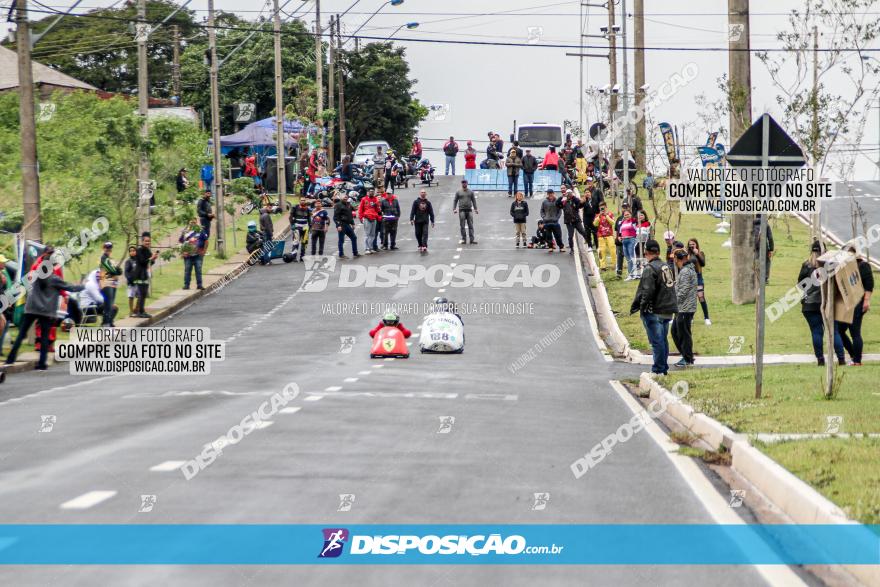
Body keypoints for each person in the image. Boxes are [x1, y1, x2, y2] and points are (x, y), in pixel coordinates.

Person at [4, 253, 85, 370]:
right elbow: (70, 288)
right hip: (46, 311)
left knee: (21, 335)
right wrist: (84, 286)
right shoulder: (54, 279)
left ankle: (10, 359)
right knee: (45, 337)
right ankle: (42, 364)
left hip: (31, 309)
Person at [630, 239, 678, 375]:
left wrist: (642, 308)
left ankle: (658, 370)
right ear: (658, 252)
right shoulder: (665, 266)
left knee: (656, 342)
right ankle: (663, 369)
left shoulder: (649, 269)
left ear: (646, 253)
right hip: (667, 310)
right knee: (663, 340)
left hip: (654, 311)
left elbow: (647, 291)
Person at [799, 240, 845, 366]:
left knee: (816, 332)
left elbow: (800, 285)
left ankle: (820, 359)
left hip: (809, 304)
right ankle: (841, 359)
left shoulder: (806, 265)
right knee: (833, 331)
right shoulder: (831, 265)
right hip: (829, 303)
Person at [837, 243, 873, 365]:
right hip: (846, 303)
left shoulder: (863, 266)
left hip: (858, 302)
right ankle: (853, 354)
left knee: (855, 332)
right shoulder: (843, 267)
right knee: (840, 330)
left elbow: (869, 285)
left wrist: (866, 301)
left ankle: (857, 361)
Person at [671, 249, 697, 367]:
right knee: (676, 331)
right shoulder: (685, 270)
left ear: (678, 258)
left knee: (683, 333)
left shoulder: (686, 271)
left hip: (685, 308)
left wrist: (674, 302)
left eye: (674, 258)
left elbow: (684, 290)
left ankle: (687, 358)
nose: (673, 261)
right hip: (682, 308)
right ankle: (687, 356)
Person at [131, 232, 158, 318]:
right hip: (139, 275)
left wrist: (154, 258)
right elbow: (142, 262)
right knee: (142, 294)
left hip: (145, 274)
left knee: (144, 294)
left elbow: (150, 263)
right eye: (146, 241)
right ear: (142, 241)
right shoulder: (139, 250)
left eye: (149, 241)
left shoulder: (147, 250)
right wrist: (151, 258)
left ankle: (140, 310)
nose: (148, 243)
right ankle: (140, 311)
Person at [98, 241, 122, 327]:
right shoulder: (103, 258)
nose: (108, 249)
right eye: (106, 247)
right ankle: (105, 323)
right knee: (108, 305)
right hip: (106, 284)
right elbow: (112, 270)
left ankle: (109, 321)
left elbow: (117, 270)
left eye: (110, 248)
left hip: (113, 284)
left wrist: (117, 271)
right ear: (103, 248)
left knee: (111, 304)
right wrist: (117, 271)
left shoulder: (111, 259)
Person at [178, 219, 208, 289]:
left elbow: (206, 241)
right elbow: (180, 242)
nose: (193, 224)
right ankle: (186, 285)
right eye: (191, 222)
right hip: (188, 256)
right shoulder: (185, 231)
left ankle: (199, 285)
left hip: (198, 255)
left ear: (196, 222)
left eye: (194, 222)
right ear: (189, 223)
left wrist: (204, 251)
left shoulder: (200, 230)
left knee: (198, 269)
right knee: (187, 270)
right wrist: (182, 252)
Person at [687, 238, 710, 325]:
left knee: (701, 297)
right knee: (691, 298)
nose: (691, 246)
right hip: (689, 278)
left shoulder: (701, 253)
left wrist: (697, 254)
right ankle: (691, 317)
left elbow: (703, 263)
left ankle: (706, 318)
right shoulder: (687, 254)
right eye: (690, 244)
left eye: (693, 244)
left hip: (698, 277)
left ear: (696, 244)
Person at [561, 188, 588, 255]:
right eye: (568, 194)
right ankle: (572, 249)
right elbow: (557, 204)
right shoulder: (564, 201)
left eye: (570, 193)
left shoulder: (575, 200)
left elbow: (580, 204)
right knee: (570, 236)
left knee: (583, 231)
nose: (569, 195)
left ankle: (588, 242)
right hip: (569, 221)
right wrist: (563, 197)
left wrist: (575, 198)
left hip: (576, 220)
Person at [334, 192, 360, 259]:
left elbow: (350, 215)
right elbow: (335, 217)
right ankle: (341, 254)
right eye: (344, 197)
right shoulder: (338, 205)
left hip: (347, 224)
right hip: (342, 224)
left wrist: (353, 223)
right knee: (341, 240)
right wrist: (338, 225)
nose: (345, 198)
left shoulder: (348, 205)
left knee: (354, 237)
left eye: (346, 197)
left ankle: (355, 253)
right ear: (341, 198)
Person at [453, 179, 479, 245]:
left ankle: (472, 240)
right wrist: (454, 208)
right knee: (462, 225)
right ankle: (464, 239)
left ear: (467, 183)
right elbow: (455, 200)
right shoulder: (458, 192)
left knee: (471, 225)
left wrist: (476, 209)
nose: (464, 184)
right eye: (463, 183)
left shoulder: (471, 192)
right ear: (461, 184)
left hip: (469, 210)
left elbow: (473, 200)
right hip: (462, 210)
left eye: (465, 183)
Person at [410, 189, 435, 253]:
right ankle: (420, 245)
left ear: (426, 194)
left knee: (425, 233)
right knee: (418, 234)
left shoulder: (428, 203)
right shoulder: (416, 202)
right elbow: (412, 211)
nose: (423, 193)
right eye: (422, 192)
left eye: (424, 192)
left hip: (425, 221)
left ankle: (424, 245)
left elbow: (431, 212)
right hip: (417, 221)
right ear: (420, 193)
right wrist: (411, 219)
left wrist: (432, 221)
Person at [358, 189, 382, 254]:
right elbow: (360, 209)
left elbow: (377, 210)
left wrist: (379, 214)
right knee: (367, 234)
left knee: (373, 234)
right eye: (370, 192)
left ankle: (370, 248)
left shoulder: (375, 199)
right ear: (367, 192)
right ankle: (367, 248)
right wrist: (360, 217)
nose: (371, 193)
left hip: (374, 219)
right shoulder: (364, 199)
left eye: (372, 192)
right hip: (367, 218)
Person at [593, 202, 616, 270]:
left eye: (603, 207)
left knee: (613, 250)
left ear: (606, 207)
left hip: (609, 235)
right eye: (601, 208)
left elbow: (612, 222)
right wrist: (599, 216)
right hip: (601, 236)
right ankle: (603, 266)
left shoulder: (610, 214)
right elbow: (595, 224)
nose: (602, 209)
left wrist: (606, 216)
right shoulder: (598, 215)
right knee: (602, 251)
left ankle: (614, 265)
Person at [753, 216, 775, 285]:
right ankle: (765, 278)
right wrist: (771, 249)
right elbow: (770, 238)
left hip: (754, 245)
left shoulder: (751, 224)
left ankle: (756, 277)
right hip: (763, 245)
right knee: (767, 261)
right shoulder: (766, 225)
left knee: (756, 260)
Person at [582, 181, 602, 249]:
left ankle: (597, 246)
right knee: (588, 233)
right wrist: (583, 200)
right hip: (586, 219)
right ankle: (589, 246)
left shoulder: (595, 199)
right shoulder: (584, 200)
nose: (587, 193)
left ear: (590, 193)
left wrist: (599, 214)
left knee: (595, 233)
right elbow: (579, 206)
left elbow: (599, 206)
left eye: (588, 192)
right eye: (586, 192)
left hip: (594, 218)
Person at [619, 209, 638, 280]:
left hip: (631, 240)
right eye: (625, 215)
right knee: (628, 259)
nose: (626, 216)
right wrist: (619, 237)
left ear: (631, 214)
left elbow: (636, 229)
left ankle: (632, 274)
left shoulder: (633, 221)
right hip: (624, 241)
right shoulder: (623, 222)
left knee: (632, 257)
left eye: (628, 214)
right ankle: (630, 274)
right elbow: (620, 231)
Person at [634, 209, 652, 276]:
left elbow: (649, 234)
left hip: (644, 242)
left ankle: (646, 271)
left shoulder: (647, 223)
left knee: (644, 257)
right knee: (638, 257)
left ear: (644, 216)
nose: (640, 216)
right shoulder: (637, 224)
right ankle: (638, 272)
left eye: (641, 215)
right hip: (638, 243)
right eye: (639, 215)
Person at [123, 245, 138, 315]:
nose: (132, 252)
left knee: (140, 296)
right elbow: (126, 272)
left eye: (134, 251)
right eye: (131, 251)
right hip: (131, 282)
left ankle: (136, 309)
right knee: (131, 296)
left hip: (138, 282)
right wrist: (129, 279)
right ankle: (131, 311)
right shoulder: (128, 261)